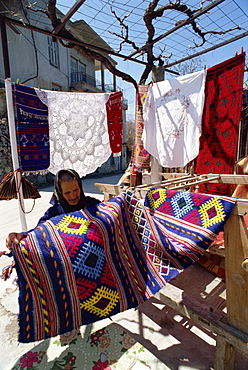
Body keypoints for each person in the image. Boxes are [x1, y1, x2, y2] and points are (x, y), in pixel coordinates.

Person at [6, 169, 101, 251]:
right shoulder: (54, 213)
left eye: (76, 190)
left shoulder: (92, 204)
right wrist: (22, 236)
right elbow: (39, 231)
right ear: (59, 193)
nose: (73, 196)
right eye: (67, 192)